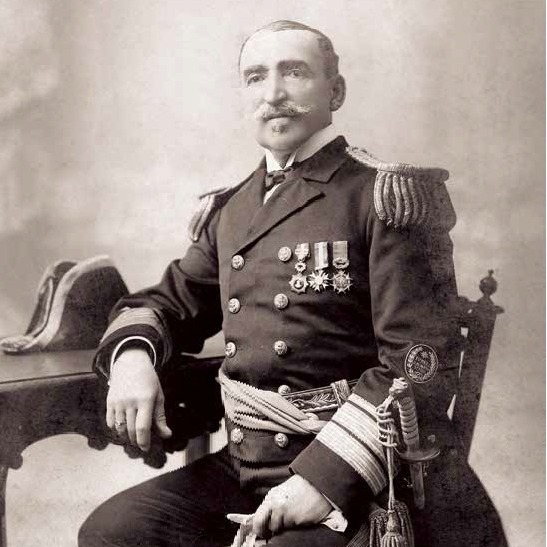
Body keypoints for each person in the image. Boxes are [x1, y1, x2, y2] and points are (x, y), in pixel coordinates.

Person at [79, 20, 507, 547]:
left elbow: (418, 366)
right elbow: (168, 302)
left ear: (336, 91)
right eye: (256, 77)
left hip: (365, 479)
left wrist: (322, 481)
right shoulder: (233, 209)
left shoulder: (386, 198)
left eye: (295, 72)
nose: (273, 93)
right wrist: (131, 358)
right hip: (248, 468)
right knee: (111, 533)